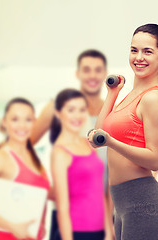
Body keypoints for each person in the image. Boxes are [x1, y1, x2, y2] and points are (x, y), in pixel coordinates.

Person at [88, 23, 158, 240]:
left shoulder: (154, 97)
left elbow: (154, 159)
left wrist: (112, 142)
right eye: (134, 50)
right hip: (123, 203)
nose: (139, 57)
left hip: (144, 204)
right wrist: (112, 94)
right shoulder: (131, 94)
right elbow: (96, 136)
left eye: (148, 51)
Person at [30, 49, 114, 240]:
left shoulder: (114, 112)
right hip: (69, 216)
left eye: (97, 70)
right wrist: (44, 185)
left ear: (104, 73)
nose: (92, 75)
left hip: (103, 213)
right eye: (86, 70)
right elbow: (23, 148)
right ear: (77, 74)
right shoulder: (57, 108)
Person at [0, 98, 50, 240]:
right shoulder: (0, 158)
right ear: (5, 122)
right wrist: (12, 226)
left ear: (34, 122)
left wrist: (41, 223)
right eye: (15, 119)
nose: (22, 126)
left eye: (28, 120)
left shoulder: (32, 156)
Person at [50, 89, 113, 240]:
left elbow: (100, 192)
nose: (77, 116)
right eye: (71, 110)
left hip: (99, 231)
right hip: (76, 232)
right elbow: (62, 208)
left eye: (82, 110)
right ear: (58, 113)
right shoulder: (60, 153)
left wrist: (108, 231)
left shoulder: (88, 144)